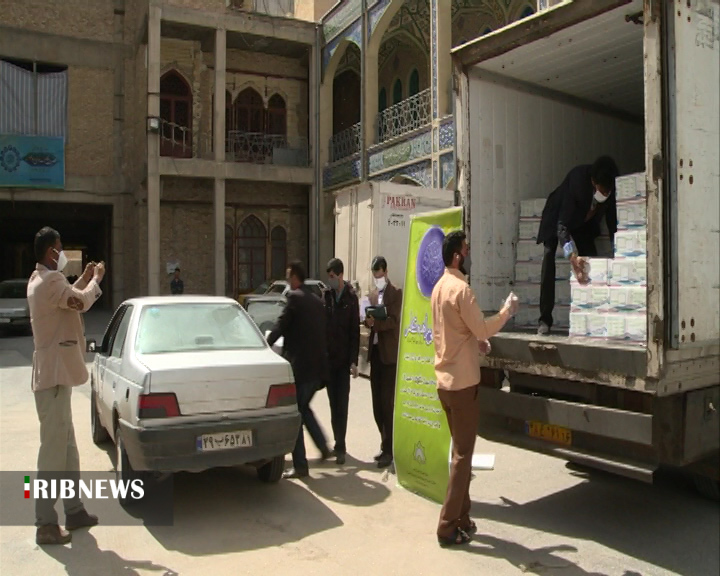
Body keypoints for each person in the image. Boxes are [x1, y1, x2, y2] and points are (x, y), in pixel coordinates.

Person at [431, 230, 518, 547]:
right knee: (462, 457)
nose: (469, 254)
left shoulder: (439, 288)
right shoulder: (461, 290)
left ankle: (463, 518)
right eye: (466, 249)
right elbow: (481, 328)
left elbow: (454, 333)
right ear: (457, 256)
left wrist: (474, 343)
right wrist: (507, 311)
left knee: (460, 454)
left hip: (445, 383)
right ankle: (446, 526)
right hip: (463, 385)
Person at [27, 227, 106, 545]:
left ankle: (74, 510)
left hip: (56, 377)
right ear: (51, 252)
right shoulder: (50, 281)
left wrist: (82, 280)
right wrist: (96, 280)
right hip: (54, 378)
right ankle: (45, 522)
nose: (62, 254)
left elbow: (67, 297)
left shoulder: (42, 279)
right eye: (60, 248)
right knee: (53, 452)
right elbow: (80, 303)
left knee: (68, 449)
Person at [536, 156, 619, 335]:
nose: (605, 194)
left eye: (608, 191)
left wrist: (618, 249)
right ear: (593, 182)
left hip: (583, 222)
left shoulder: (610, 188)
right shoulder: (577, 181)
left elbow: (612, 221)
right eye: (603, 190)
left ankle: (593, 316)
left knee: (590, 260)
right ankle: (545, 319)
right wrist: (571, 255)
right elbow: (562, 225)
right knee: (549, 255)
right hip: (558, 215)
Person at [267, 261, 332, 479]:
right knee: (303, 409)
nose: (287, 281)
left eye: (288, 277)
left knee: (295, 414)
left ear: (295, 277)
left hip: (301, 369)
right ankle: (323, 446)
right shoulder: (316, 301)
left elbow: (281, 324)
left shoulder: (294, 298)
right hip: (317, 369)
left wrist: (265, 344)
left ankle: (301, 466)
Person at [364, 256, 401, 469]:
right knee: (377, 404)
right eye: (374, 275)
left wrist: (376, 324)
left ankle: (389, 450)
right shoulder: (371, 294)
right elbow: (368, 320)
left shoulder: (395, 293)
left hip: (389, 356)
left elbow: (393, 321)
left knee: (387, 403)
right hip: (376, 354)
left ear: (385, 272)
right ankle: (384, 442)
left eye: (378, 274)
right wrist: (367, 321)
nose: (376, 278)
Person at [323, 258, 360, 465]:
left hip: (344, 361)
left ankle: (341, 445)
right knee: (332, 403)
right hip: (330, 360)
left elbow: (355, 332)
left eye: (332, 276)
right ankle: (337, 441)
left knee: (342, 404)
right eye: (328, 276)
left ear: (340, 275)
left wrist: (354, 361)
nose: (330, 280)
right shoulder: (326, 296)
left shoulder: (351, 298)